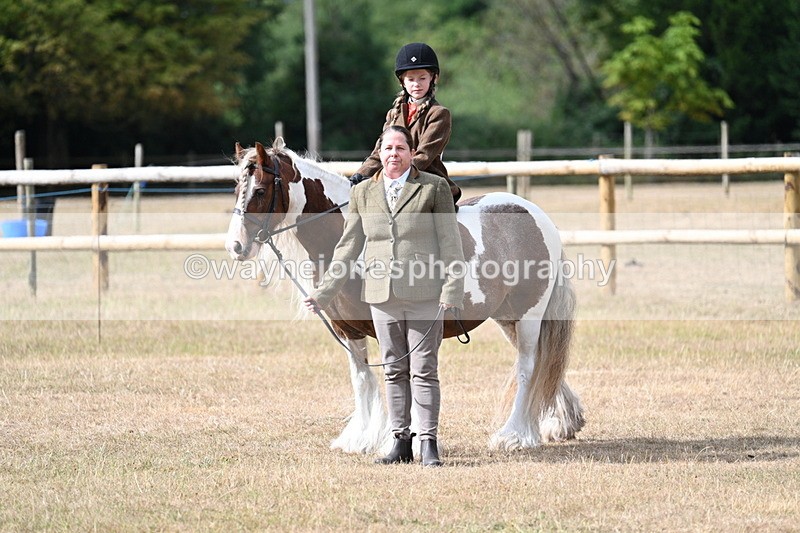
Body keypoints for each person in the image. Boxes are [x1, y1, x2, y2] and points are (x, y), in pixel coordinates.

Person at [304, 125, 465, 467]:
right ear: (380, 152)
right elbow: (348, 248)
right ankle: (400, 442)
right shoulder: (363, 193)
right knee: (393, 370)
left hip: (425, 293)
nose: (393, 154)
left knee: (424, 370)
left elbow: (451, 243)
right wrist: (322, 293)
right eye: (387, 148)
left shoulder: (433, 188)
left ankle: (429, 443)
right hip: (381, 296)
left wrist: (452, 287)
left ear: (411, 153)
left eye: (400, 148)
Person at [350, 42, 461, 207]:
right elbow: (378, 153)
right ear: (402, 81)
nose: (416, 84)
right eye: (411, 79)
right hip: (394, 181)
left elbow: (423, 157)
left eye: (422, 78)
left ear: (433, 78)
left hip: (426, 183)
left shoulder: (439, 114)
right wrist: (359, 175)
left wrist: (391, 177)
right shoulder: (393, 114)